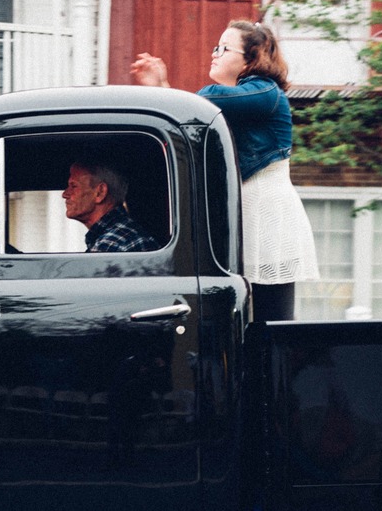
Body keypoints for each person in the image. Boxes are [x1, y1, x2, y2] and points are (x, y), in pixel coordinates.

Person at [131, 19, 318, 321]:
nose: (214, 53)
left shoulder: (264, 92)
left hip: (267, 219)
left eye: (224, 48)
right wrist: (163, 89)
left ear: (250, 60)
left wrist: (166, 91)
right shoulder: (236, 103)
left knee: (269, 323)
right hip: (246, 218)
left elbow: (203, 102)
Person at [63, 160, 158, 253]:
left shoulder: (115, 243)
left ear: (100, 192)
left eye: (74, 186)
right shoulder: (114, 238)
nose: (65, 194)